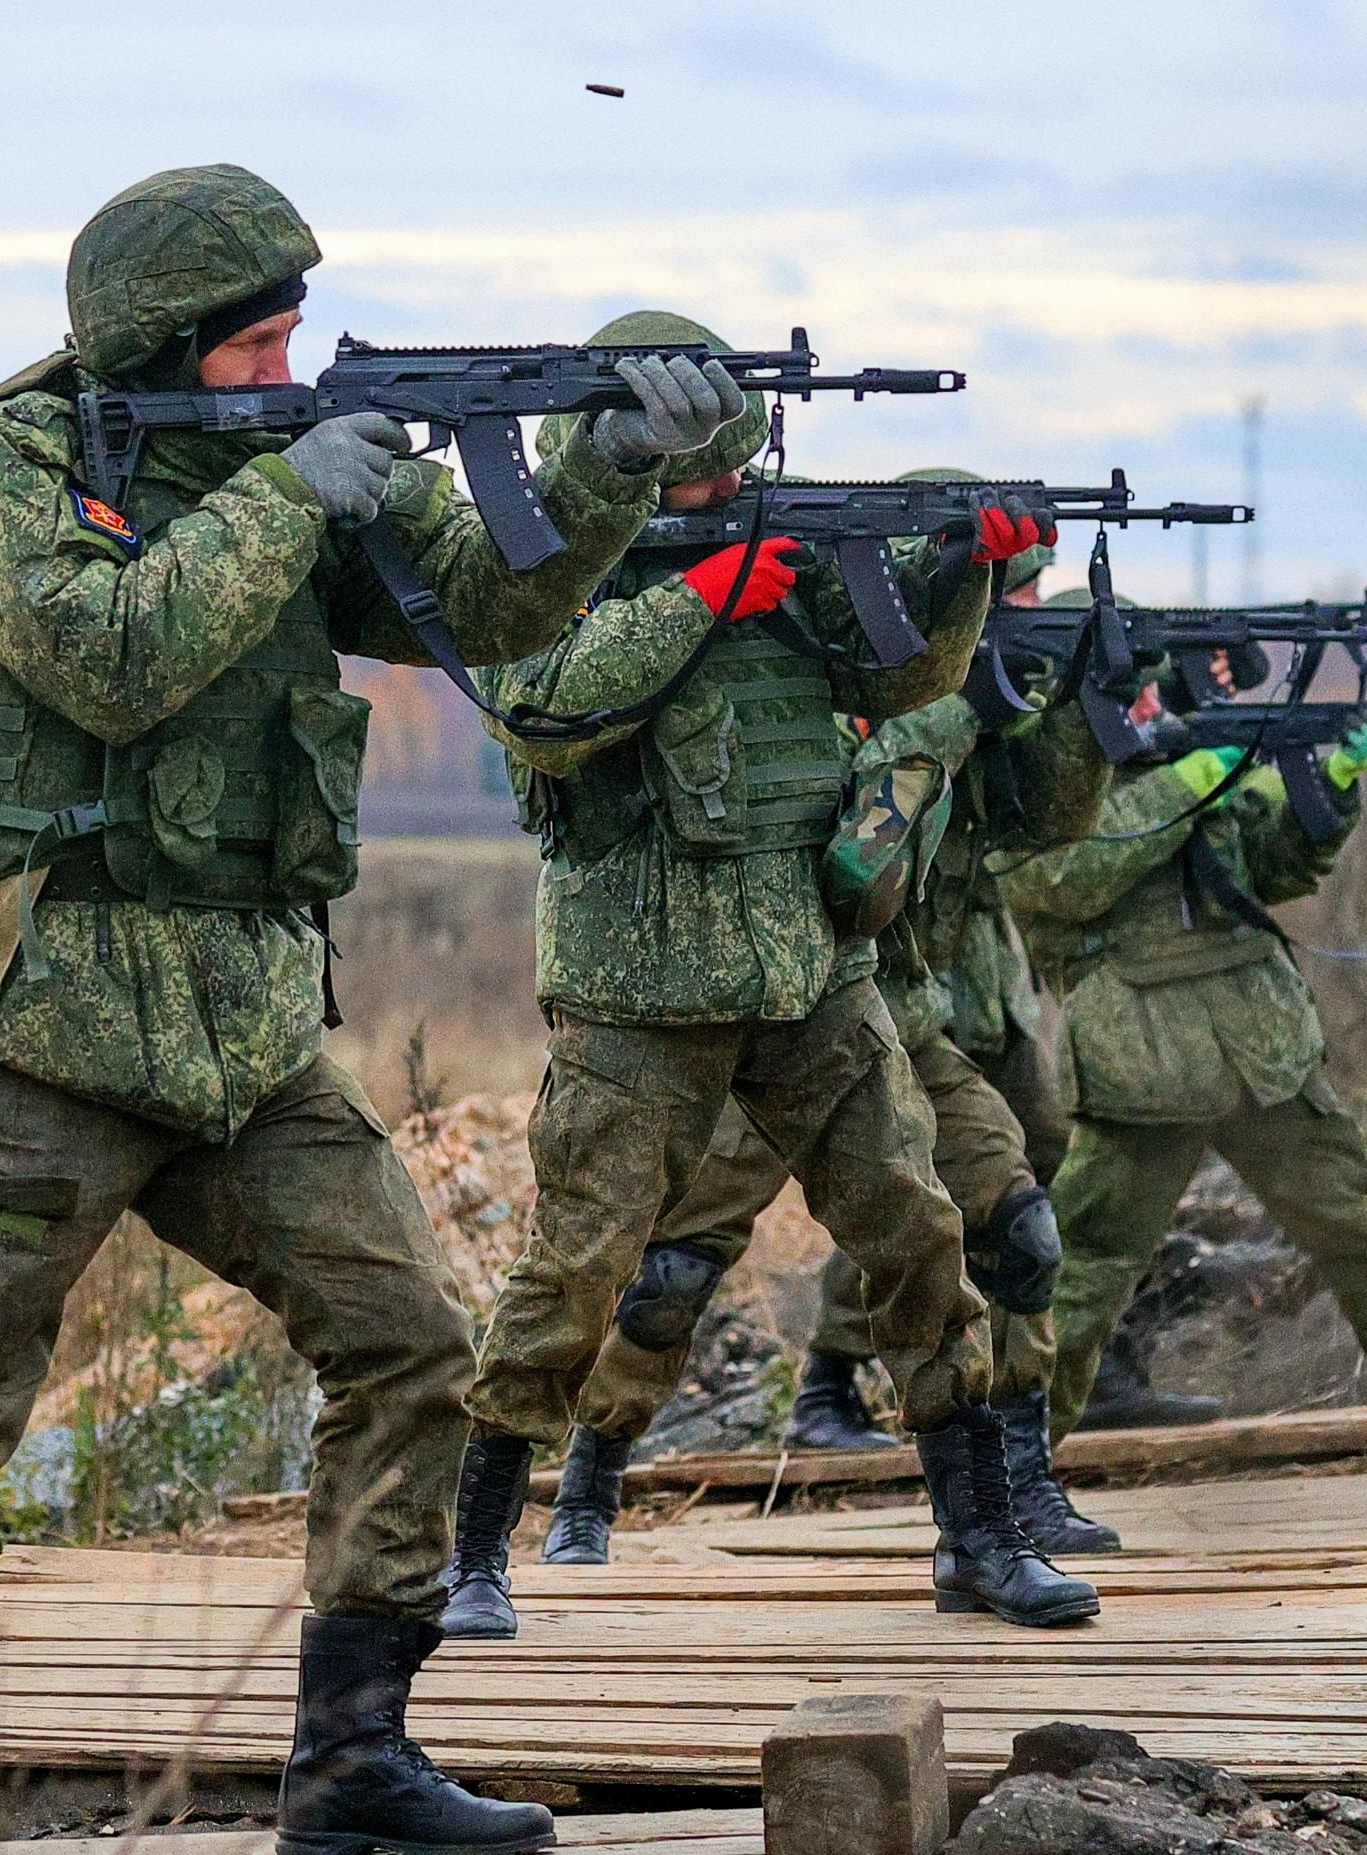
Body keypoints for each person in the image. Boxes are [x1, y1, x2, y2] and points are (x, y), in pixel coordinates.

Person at [0, 167, 735, 1855]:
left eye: (298, 333)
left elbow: (497, 616)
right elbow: (109, 654)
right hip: (46, 1024)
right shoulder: (15, 472)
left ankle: (353, 1764)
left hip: (245, 1041)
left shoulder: (283, 462)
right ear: (163, 342)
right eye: (259, 340)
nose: (287, 364)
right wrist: (290, 494)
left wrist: (609, 468)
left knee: (409, 1351)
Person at [448, 325, 1100, 1642]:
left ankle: (979, 1536)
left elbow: (897, 675)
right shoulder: (549, 572)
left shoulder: (774, 555)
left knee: (920, 1233)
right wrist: (701, 597)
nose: (699, 496)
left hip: (809, 971)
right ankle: (474, 1552)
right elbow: (542, 710)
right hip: (638, 988)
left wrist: (955, 572)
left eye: (714, 471)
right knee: (579, 1268)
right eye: (675, 475)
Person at [541, 534, 1127, 1566]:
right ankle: (590, 1477)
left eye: (1019, 590)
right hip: (779, 1008)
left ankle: (1017, 1484)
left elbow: (1050, 818)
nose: (1012, 609)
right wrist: (952, 716)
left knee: (1017, 1230)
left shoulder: (967, 699)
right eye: (996, 589)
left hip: (902, 1019)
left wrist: (1088, 708)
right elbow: (854, 861)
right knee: (670, 1271)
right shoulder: (848, 673)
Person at [998, 677, 1367, 1482]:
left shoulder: (1187, 763)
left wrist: (1330, 779)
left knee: (1359, 1233)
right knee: (1087, 1267)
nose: (1149, 705)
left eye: (1153, 689)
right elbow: (1061, 879)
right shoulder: (1040, 788)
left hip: (1260, 1047)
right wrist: (1197, 777)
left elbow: (1268, 867)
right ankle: (1010, 1468)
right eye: (1128, 692)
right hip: (1147, 1061)